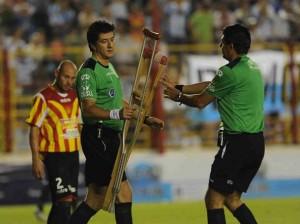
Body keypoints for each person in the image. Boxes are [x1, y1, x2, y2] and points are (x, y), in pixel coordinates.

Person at [162, 24, 265, 224]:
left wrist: (178, 97)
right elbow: (212, 85)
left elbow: (201, 101)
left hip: (237, 144)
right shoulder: (250, 67)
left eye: (222, 42)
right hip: (256, 143)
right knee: (232, 199)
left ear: (231, 45)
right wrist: (178, 87)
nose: (220, 46)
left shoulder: (229, 72)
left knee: (214, 199)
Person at [68, 19, 163, 224]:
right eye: (104, 41)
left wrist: (143, 118)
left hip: (111, 137)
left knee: (95, 199)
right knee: (123, 193)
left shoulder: (108, 66)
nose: (111, 45)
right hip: (99, 137)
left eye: (112, 40)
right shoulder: (88, 71)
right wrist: (116, 115)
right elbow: (88, 108)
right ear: (93, 45)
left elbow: (116, 102)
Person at [26, 60, 81, 224]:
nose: (69, 81)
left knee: (67, 202)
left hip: (73, 154)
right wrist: (36, 158)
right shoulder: (43, 97)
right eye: (66, 77)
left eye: (72, 78)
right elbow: (34, 128)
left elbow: (81, 124)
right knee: (63, 202)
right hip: (55, 157)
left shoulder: (75, 95)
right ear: (57, 73)